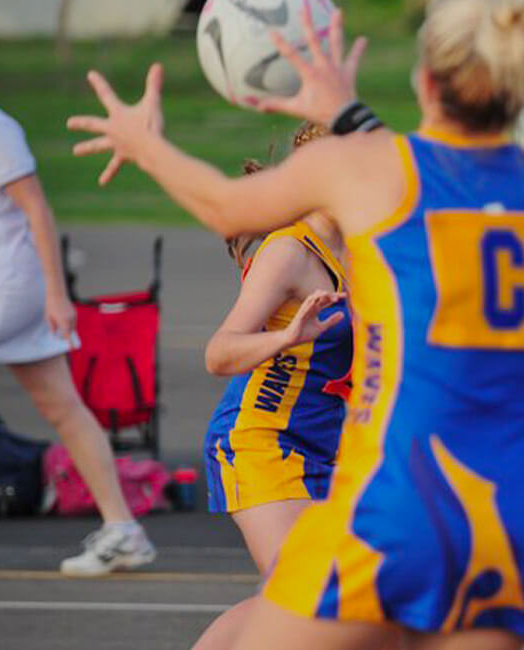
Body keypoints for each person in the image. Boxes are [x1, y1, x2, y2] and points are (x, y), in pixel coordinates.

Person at [68, 1, 524, 647]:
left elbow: (224, 208)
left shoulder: (366, 173)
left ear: (426, 83)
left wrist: (145, 146)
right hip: (510, 510)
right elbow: (429, 183)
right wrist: (350, 115)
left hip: (406, 494)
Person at [0, 26, 155, 577]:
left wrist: (58, 296)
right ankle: (123, 530)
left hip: (6, 289)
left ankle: (122, 529)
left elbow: (37, 209)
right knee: (63, 408)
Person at [191, 122, 353, 650]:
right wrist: (286, 337)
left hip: (331, 449)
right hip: (263, 439)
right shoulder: (291, 253)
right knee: (308, 594)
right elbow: (219, 352)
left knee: (360, 602)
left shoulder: (365, 251)